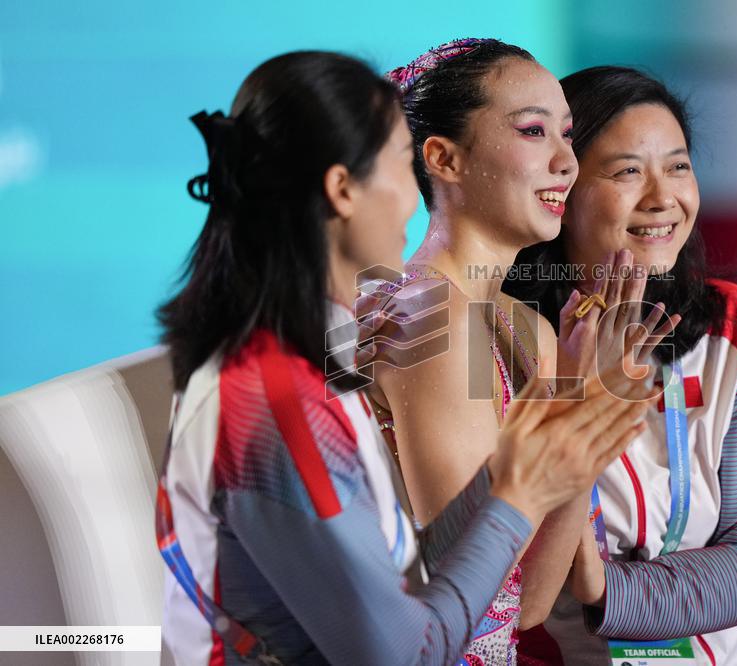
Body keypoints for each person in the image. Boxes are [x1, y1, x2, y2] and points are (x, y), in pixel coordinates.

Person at [155, 51, 657, 665]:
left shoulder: (456, 324)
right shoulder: (314, 372)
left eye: (566, 135)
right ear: (344, 189)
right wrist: (549, 455)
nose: (567, 164)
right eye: (401, 158)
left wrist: (573, 426)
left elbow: (513, 608)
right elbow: (436, 636)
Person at [370, 39, 677, 665]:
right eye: (534, 131)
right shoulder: (426, 314)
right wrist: (578, 414)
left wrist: (585, 416)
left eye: (567, 135)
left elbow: (531, 606)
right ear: (443, 159)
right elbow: (471, 605)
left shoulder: (524, 327)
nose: (567, 161)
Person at [506, 66, 737, 666]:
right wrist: (584, 397)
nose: (663, 197)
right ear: (558, 189)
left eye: (678, 166)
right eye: (627, 172)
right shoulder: (502, 341)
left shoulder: (735, 326)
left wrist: (602, 587)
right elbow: (514, 582)